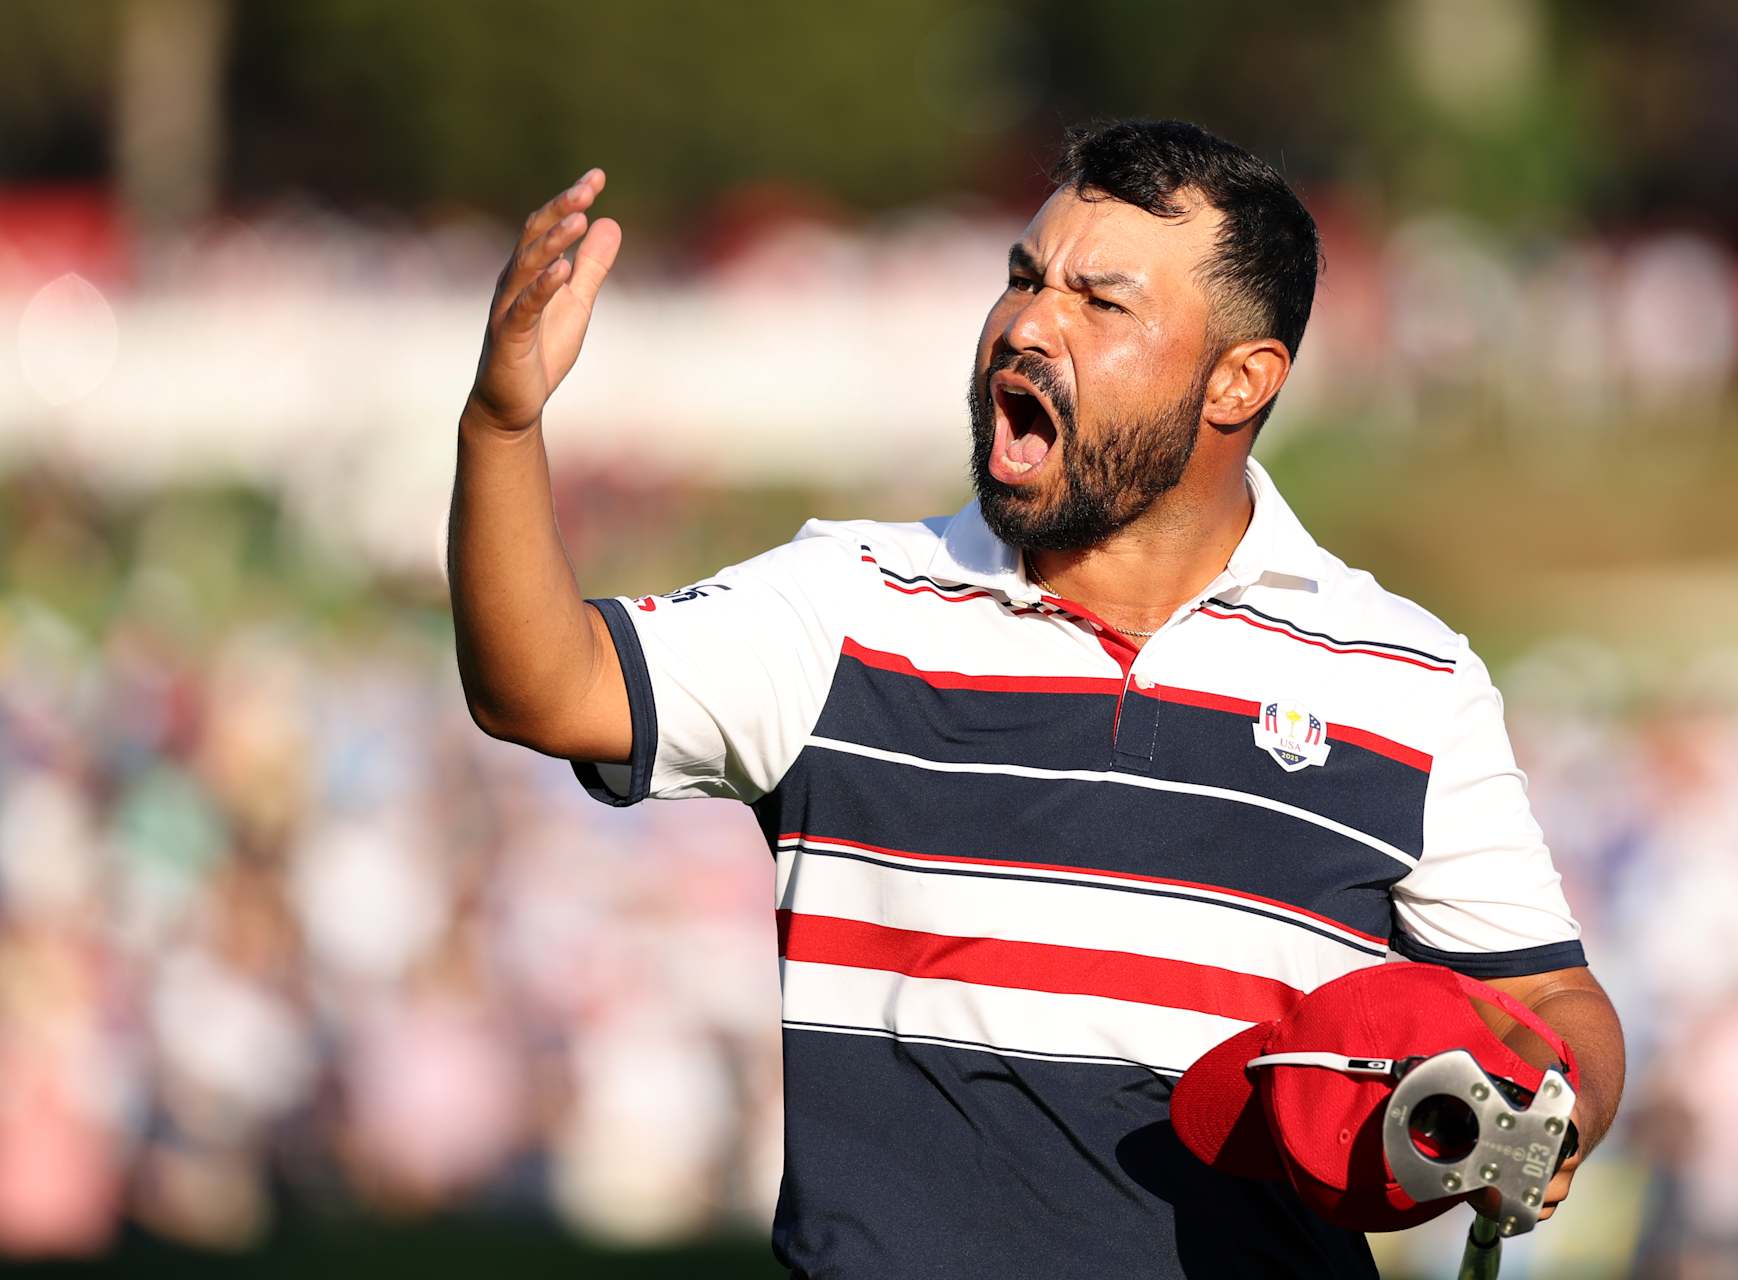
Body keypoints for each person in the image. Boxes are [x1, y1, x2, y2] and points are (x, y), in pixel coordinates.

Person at [448, 119, 1625, 1279]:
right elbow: (544, 687)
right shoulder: (847, 603)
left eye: (1099, 302)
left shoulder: (1407, 675)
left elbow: (1551, 1002)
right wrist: (504, 423)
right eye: (1024, 277)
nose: (1025, 324)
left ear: (1238, 382)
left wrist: (1549, 1115)